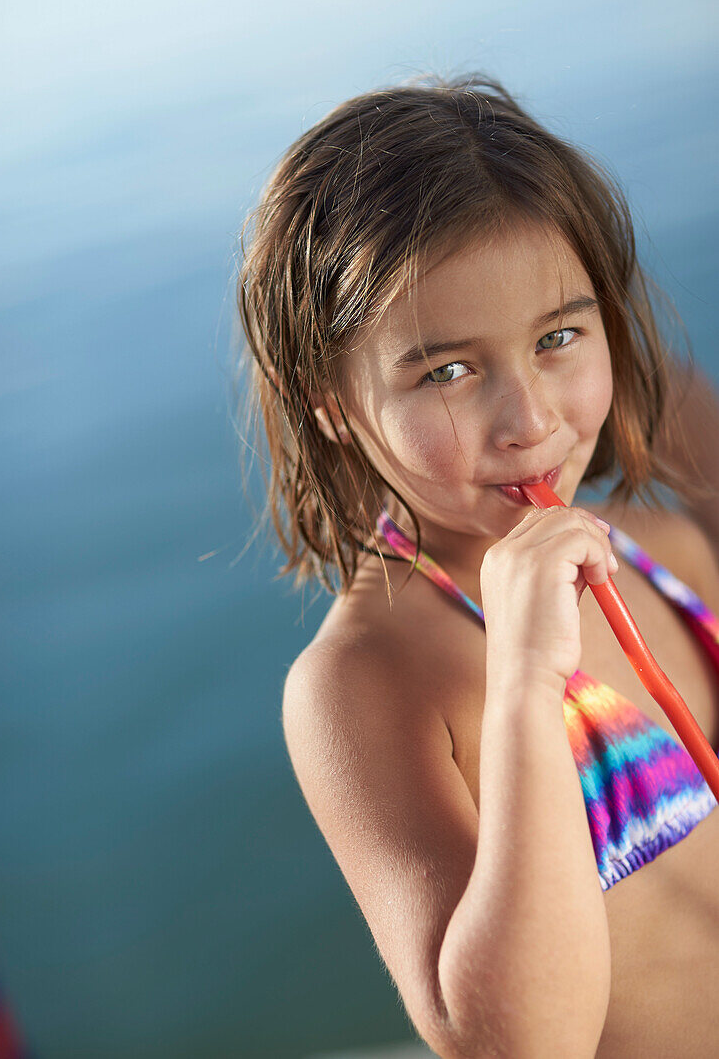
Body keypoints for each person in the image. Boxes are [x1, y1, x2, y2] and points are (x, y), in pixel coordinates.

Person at [235, 74, 719, 1057]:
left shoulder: (661, 550)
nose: (531, 421)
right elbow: (515, 1043)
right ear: (325, 397)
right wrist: (524, 690)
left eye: (555, 338)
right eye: (447, 370)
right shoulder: (363, 683)